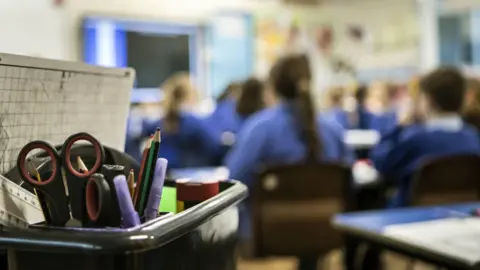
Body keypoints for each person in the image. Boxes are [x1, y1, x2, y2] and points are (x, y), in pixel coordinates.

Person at [225, 54, 354, 270]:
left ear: (273, 87)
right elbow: (349, 179)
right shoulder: (333, 130)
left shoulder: (260, 128)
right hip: (327, 230)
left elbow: (234, 178)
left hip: (270, 233)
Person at [370, 67, 480, 208]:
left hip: (409, 217)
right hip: (462, 214)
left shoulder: (418, 140)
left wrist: (400, 125)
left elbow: (381, 163)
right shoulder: (473, 138)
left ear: (428, 100)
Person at [138, 73, 220, 169]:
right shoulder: (193, 123)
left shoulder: (159, 122)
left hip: (163, 173)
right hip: (188, 174)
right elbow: (214, 146)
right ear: (191, 96)